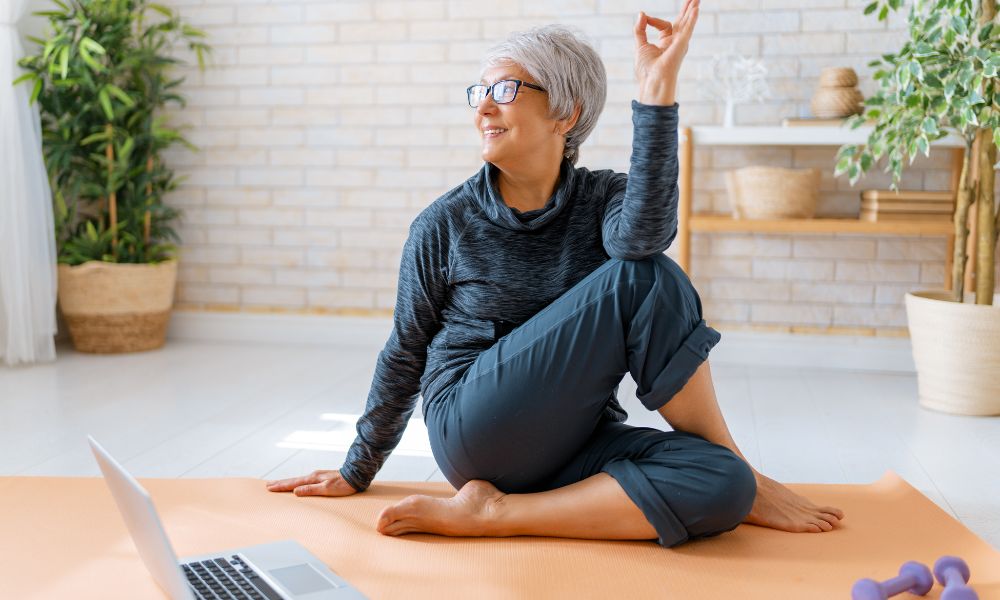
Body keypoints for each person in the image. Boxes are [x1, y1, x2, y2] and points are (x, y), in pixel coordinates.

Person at [267, 0, 845, 548]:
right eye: (479, 92)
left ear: (565, 114)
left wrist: (656, 91)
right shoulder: (443, 224)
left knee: (722, 484)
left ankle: (497, 514)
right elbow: (405, 350)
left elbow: (641, 239)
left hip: (573, 440)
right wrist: (357, 468)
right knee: (645, 279)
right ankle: (745, 467)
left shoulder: (603, 199)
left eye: (504, 90)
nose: (483, 107)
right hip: (475, 429)